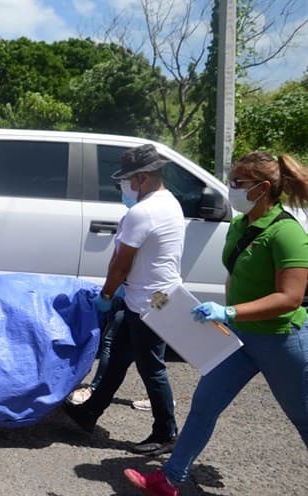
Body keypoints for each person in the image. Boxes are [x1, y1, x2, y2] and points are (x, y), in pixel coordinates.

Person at [124, 152, 308, 496]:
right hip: (241, 339)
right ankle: (170, 479)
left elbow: (291, 297)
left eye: (238, 183)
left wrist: (232, 313)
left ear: (263, 188)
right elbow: (235, 274)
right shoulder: (241, 224)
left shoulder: (287, 233)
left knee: (304, 418)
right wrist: (225, 312)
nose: (231, 189)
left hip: (281, 339)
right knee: (204, 404)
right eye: (231, 181)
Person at [63, 143, 183, 456]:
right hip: (159, 295)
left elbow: (120, 263)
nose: (124, 186)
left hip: (146, 301)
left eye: (127, 180)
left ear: (142, 178)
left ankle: (166, 431)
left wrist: (106, 295)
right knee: (117, 357)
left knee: (151, 366)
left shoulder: (141, 212)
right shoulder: (169, 202)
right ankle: (89, 412)